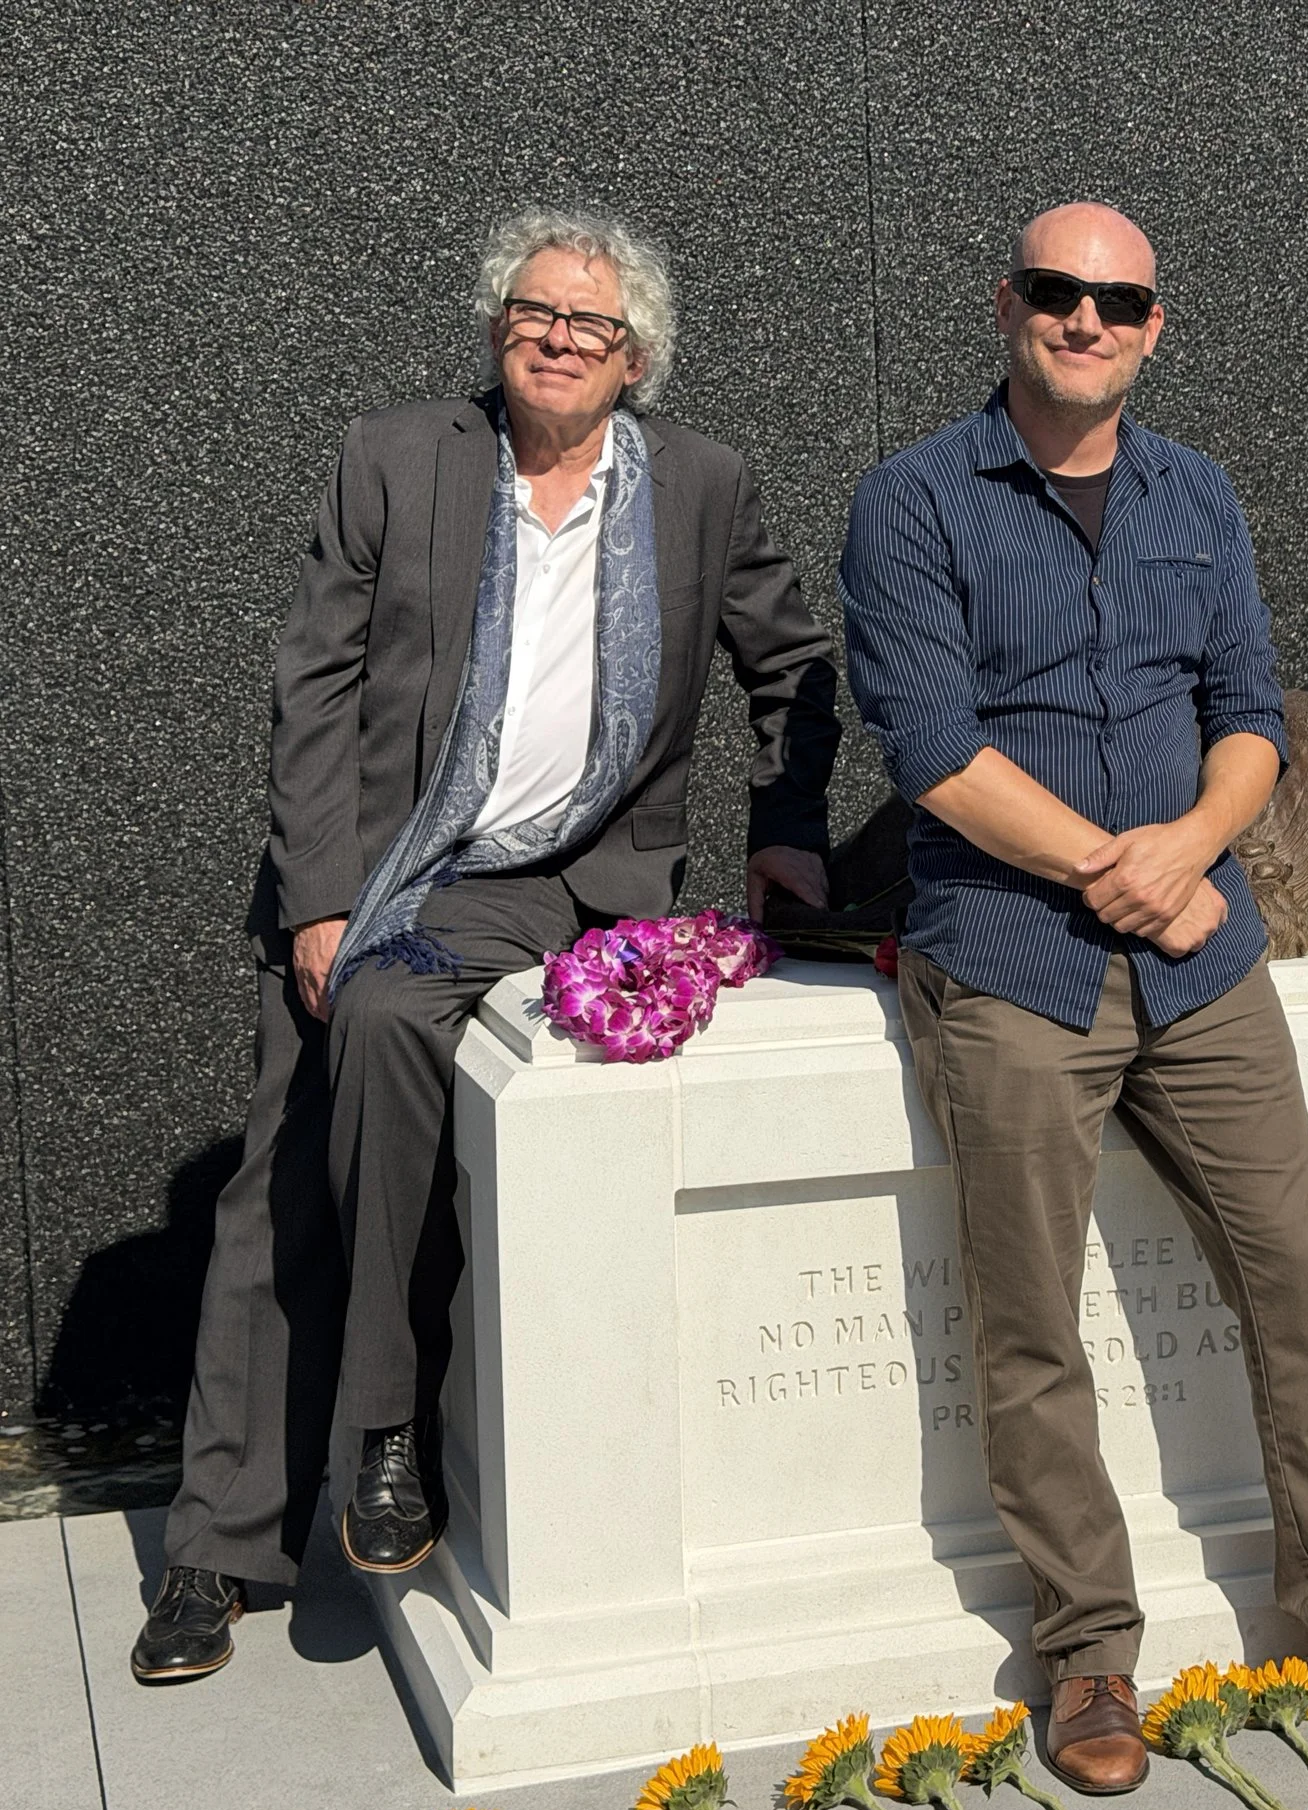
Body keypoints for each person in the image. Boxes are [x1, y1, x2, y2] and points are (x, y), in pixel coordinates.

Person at [134, 208, 840, 1683]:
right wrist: (325, 894)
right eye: (536, 311)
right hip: (389, 869)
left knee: (388, 1039)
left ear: (634, 354)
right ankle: (222, 1546)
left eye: (590, 323)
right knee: (281, 1192)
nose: (559, 338)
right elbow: (313, 683)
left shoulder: (699, 487)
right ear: (497, 324)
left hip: (575, 877)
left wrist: (788, 826)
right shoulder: (397, 458)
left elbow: (792, 660)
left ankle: (390, 1423)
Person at [839, 201, 1308, 1792]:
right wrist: (1108, 871)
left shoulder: (1197, 493)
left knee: (1298, 1284)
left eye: (1118, 301)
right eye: (1059, 292)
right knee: (1030, 1323)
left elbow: (1250, 711)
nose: (1087, 320)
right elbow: (935, 750)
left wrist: (1191, 846)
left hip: (1203, 956)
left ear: (1153, 325)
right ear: (1007, 305)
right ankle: (1090, 1655)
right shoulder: (912, 501)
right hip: (1009, 957)